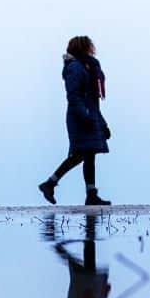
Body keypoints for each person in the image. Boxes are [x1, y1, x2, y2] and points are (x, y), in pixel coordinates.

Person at [38, 35, 111, 206]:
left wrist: (103, 124)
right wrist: (84, 116)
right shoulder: (75, 68)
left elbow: (93, 101)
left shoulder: (89, 67)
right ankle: (50, 183)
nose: (92, 50)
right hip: (79, 118)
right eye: (89, 47)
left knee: (89, 154)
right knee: (79, 154)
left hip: (89, 115)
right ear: (82, 48)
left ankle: (91, 194)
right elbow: (74, 96)